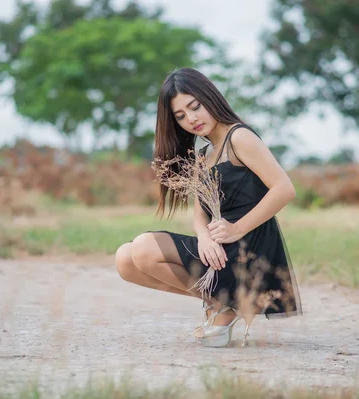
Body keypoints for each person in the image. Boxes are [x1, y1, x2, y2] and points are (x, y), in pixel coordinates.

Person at [115, 67, 302, 348]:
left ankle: (226, 306)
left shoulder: (239, 138)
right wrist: (203, 237)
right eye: (180, 116)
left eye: (195, 107)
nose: (191, 119)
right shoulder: (203, 155)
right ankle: (224, 303)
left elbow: (284, 189)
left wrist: (237, 228)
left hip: (246, 249)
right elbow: (199, 215)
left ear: (210, 97)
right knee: (125, 261)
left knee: (142, 248)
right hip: (218, 248)